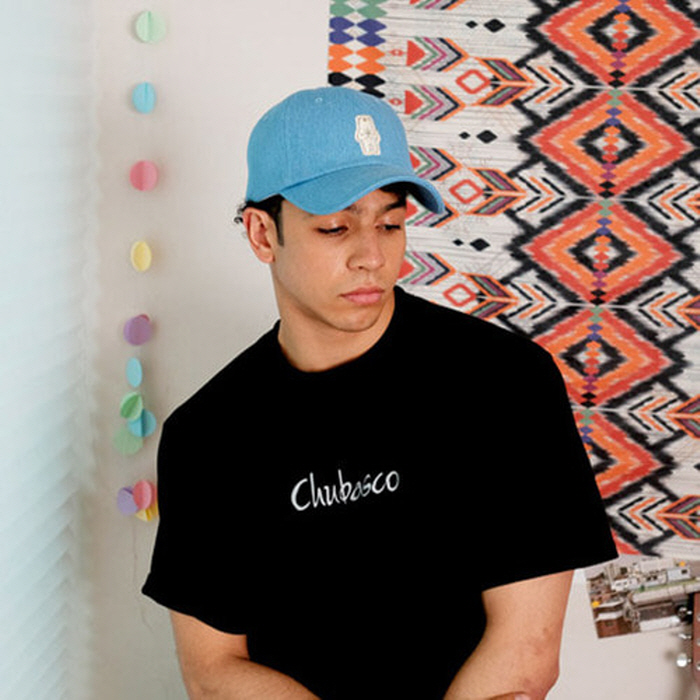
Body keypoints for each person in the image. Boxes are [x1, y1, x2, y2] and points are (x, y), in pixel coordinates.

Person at [143, 86, 617, 700]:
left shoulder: (504, 382)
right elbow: (213, 670)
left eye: (391, 223)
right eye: (335, 227)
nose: (372, 256)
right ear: (262, 234)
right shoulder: (207, 436)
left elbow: (525, 653)